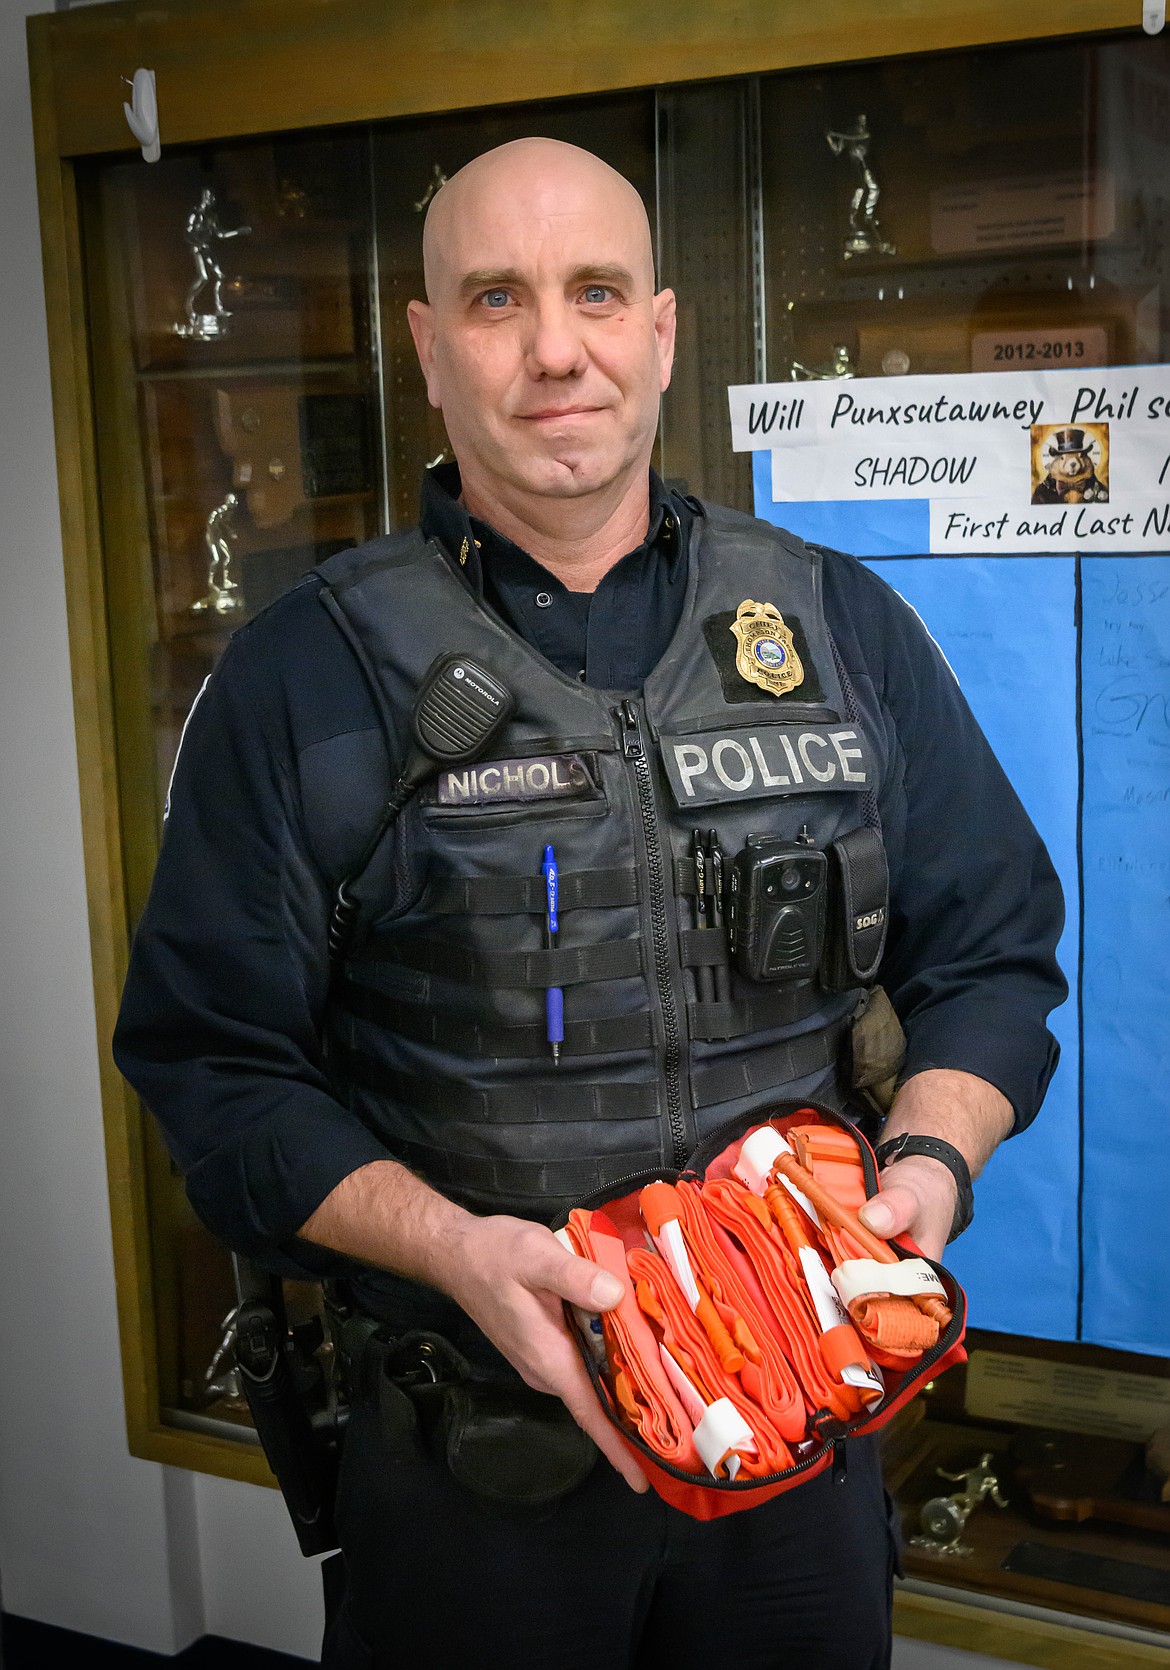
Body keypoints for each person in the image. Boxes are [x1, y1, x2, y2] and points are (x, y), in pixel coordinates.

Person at [114, 139, 1066, 1669]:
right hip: (467, 1475)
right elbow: (212, 1072)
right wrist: (452, 1249)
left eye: (596, 293)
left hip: (792, 1454)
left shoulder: (838, 627)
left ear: (663, 328)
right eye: (495, 298)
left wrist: (927, 1171)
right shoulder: (306, 679)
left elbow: (999, 957)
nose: (555, 347)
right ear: (428, 348)